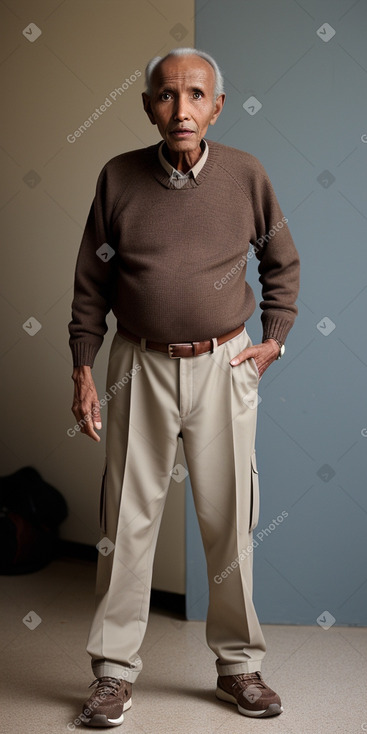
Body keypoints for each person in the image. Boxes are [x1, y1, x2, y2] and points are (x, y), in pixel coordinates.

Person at [68, 47, 300, 727]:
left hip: (225, 364)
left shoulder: (246, 175)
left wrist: (274, 337)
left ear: (216, 106)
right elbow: (90, 284)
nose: (181, 108)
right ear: (148, 107)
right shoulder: (117, 179)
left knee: (230, 520)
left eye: (196, 95)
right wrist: (83, 368)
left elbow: (280, 260)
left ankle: (239, 667)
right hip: (136, 366)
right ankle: (112, 674)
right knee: (126, 524)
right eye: (166, 96)